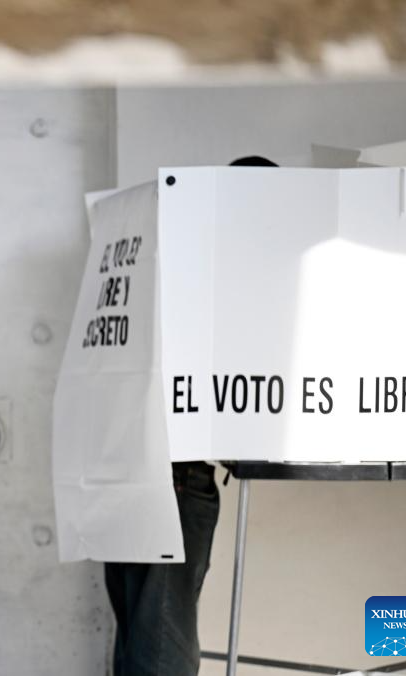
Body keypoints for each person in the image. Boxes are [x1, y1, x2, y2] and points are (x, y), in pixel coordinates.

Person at [104, 155, 278, 676]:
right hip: (176, 477)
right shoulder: (232, 269)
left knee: (140, 634)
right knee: (162, 644)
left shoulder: (166, 256)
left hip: (129, 464)